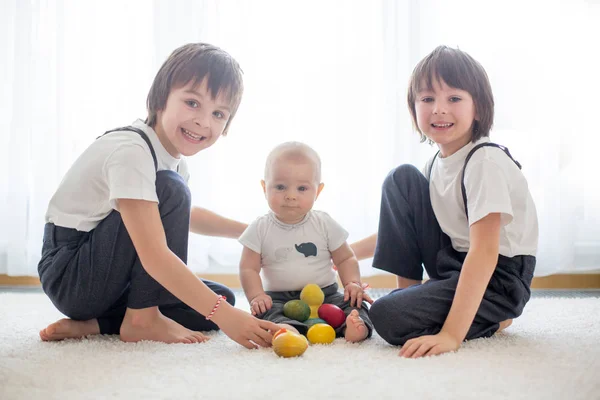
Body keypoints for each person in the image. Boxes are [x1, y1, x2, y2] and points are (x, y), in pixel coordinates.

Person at [37, 43, 279, 349]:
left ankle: (100, 324)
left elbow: (179, 215)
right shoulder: (132, 151)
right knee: (172, 192)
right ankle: (142, 319)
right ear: (161, 97)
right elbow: (154, 254)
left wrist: (251, 233)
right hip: (73, 274)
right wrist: (228, 318)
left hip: (111, 274)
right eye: (192, 103)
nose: (204, 122)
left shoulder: (173, 160)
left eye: (218, 113)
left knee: (221, 298)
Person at [358, 45, 538, 357]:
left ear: (478, 108)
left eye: (453, 98)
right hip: (453, 260)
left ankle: (494, 319)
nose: (439, 109)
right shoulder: (436, 163)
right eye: (427, 99)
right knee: (400, 179)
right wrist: (344, 253)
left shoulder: (485, 161)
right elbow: (405, 231)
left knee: (386, 316)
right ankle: (410, 294)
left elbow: (484, 252)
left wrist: (451, 335)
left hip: (499, 278)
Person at [239, 142, 374, 342]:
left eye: (302, 188)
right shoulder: (259, 227)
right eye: (280, 187)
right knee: (264, 311)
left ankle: (352, 327)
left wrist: (352, 283)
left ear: (317, 192)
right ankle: (286, 328)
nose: (291, 195)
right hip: (280, 299)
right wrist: (257, 296)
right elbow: (248, 269)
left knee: (356, 303)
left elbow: (345, 258)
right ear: (264, 187)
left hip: (326, 295)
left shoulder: (324, 223)